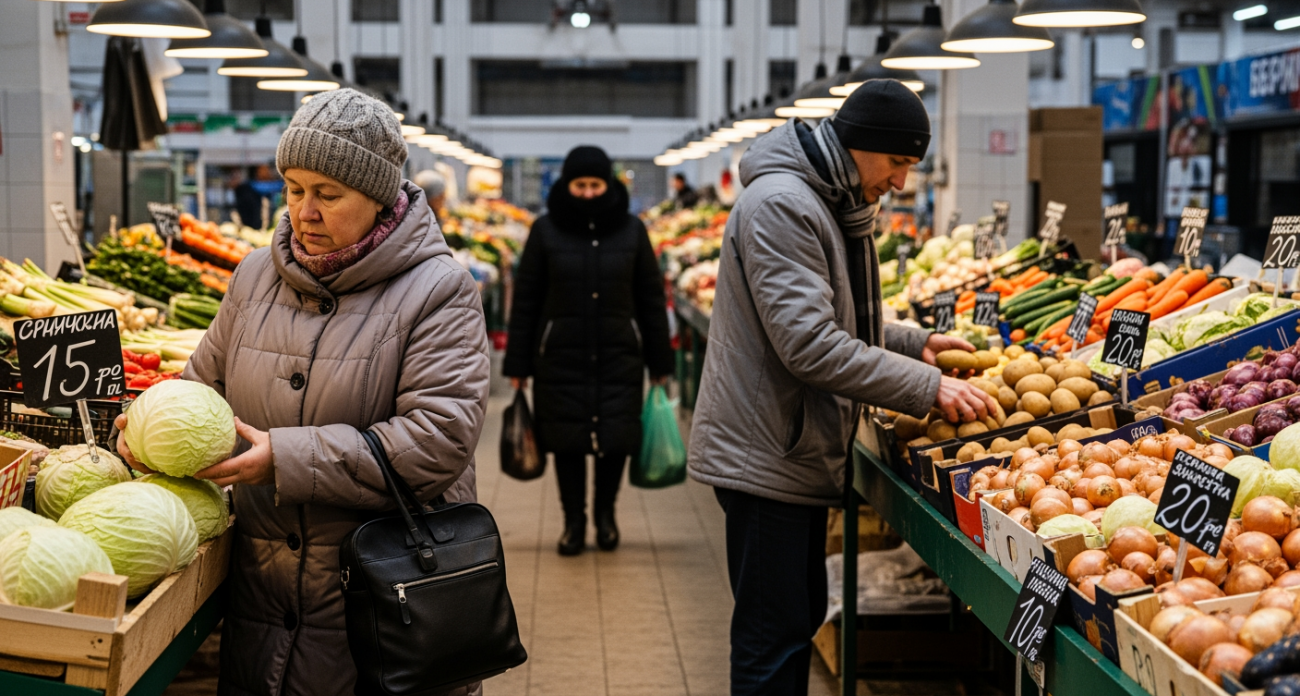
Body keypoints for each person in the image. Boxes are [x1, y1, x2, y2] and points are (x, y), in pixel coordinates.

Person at [115, 88, 490, 696]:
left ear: (378, 196)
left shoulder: (439, 290)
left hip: (382, 614)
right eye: (293, 188)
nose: (303, 212)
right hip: (262, 610)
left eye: (328, 194)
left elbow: (438, 440)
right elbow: (198, 386)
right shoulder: (255, 276)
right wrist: (140, 429)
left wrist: (282, 460)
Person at [687, 80, 997, 696]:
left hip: (785, 446)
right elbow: (809, 345)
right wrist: (924, 385)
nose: (902, 183)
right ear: (860, 147)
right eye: (898, 163)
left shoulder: (822, 197)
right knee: (772, 639)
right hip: (767, 452)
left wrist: (915, 344)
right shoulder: (784, 205)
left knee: (791, 623)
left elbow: (835, 313)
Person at [504, 145, 673, 556]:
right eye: (579, 185)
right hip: (560, 355)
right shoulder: (545, 231)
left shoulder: (633, 231)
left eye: (594, 184)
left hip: (619, 353)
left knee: (614, 439)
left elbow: (651, 298)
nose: (587, 193)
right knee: (567, 441)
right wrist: (518, 361)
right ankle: (573, 523)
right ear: (567, 185)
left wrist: (660, 360)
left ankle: (606, 517)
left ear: (608, 184)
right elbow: (527, 299)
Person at [233, 163, 274, 229]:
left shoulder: (273, 187)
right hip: (250, 228)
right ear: (257, 170)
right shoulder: (246, 189)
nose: (269, 172)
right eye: (266, 169)